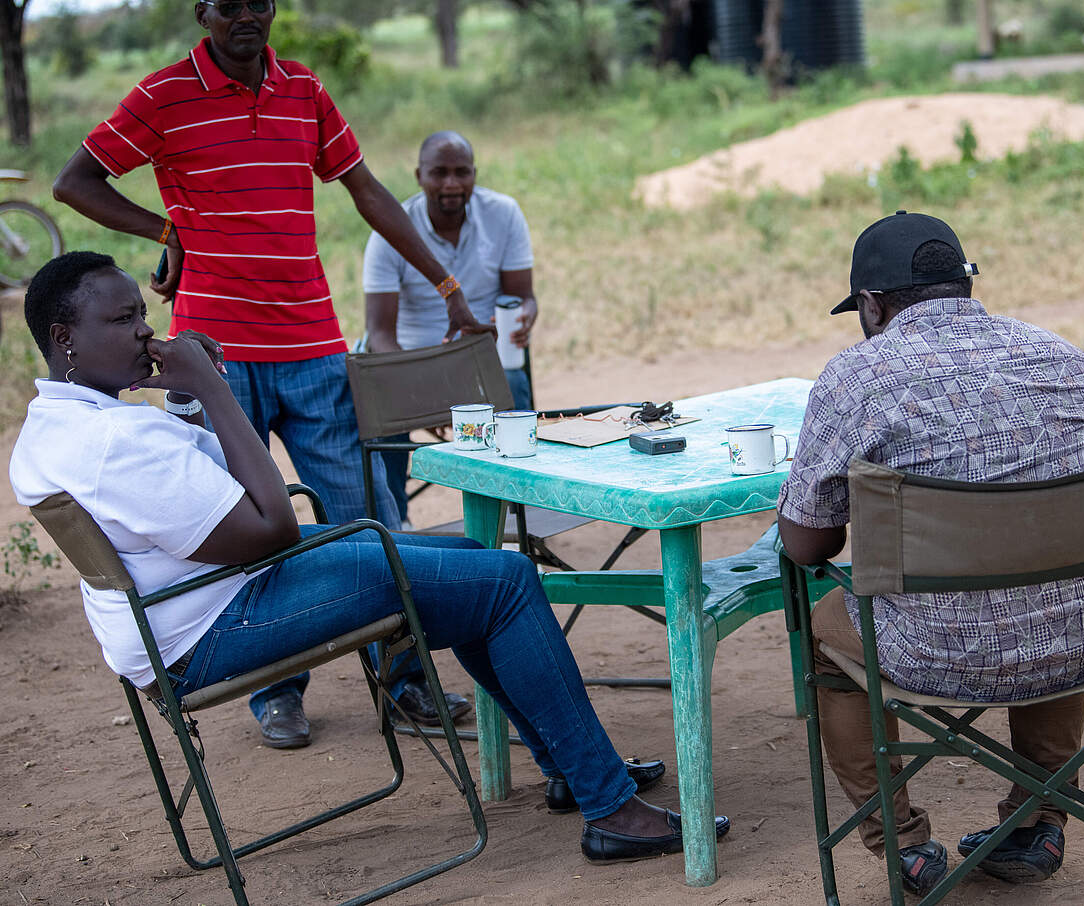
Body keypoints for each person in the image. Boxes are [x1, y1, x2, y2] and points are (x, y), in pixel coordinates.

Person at [9, 252, 729, 863]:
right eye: (122, 319)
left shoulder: (66, 421)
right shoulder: (109, 442)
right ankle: (609, 807)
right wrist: (214, 391)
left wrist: (192, 404)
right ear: (64, 336)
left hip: (202, 605)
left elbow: (209, 501)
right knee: (504, 580)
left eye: (141, 310)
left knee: (474, 568)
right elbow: (269, 530)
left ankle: (576, 771)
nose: (144, 329)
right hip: (217, 620)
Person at [51, 0, 483, 747]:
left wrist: (448, 289)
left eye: (259, 1)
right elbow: (73, 182)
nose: (245, 15)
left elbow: (368, 191)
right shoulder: (162, 96)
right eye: (229, 4)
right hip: (211, 355)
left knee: (365, 515)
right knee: (242, 521)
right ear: (203, 12)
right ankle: (275, 691)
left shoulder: (305, 90)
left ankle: (407, 684)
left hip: (312, 343)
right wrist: (166, 229)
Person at [776, 211, 1084, 895]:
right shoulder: (1066, 360)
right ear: (962, 285)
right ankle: (1038, 821)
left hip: (934, 654)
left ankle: (901, 844)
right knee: (1047, 589)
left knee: (826, 631)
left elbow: (808, 543)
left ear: (872, 305)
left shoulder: (856, 379)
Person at [362, 130, 538, 523]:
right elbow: (379, 333)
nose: (451, 184)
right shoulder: (390, 231)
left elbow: (523, 296)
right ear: (418, 175)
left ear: (475, 173)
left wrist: (523, 315)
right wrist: (425, 393)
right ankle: (397, 523)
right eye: (439, 172)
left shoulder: (503, 214)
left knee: (515, 385)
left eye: (462, 172)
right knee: (381, 397)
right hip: (412, 361)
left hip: (480, 362)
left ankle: (517, 513)